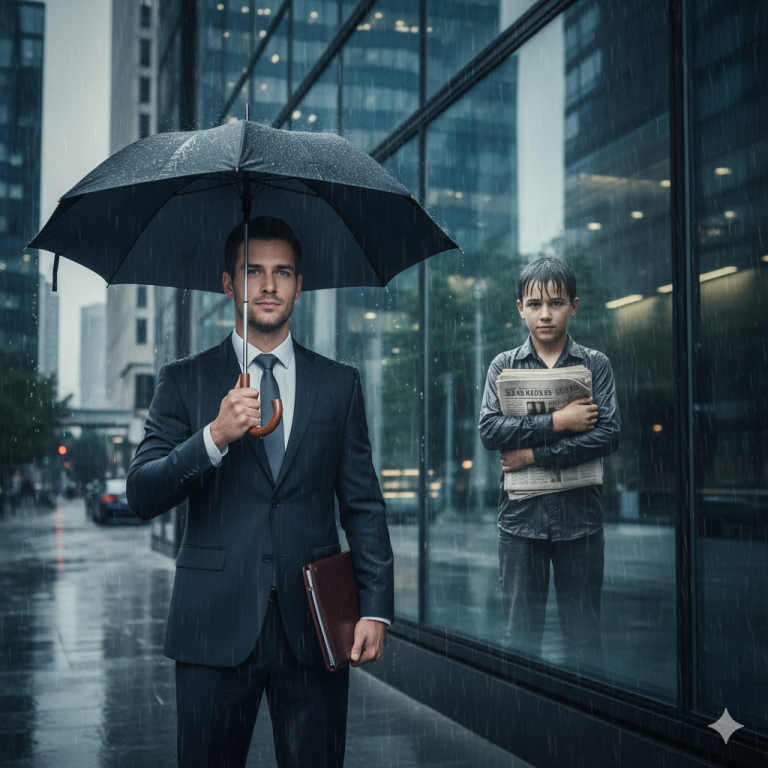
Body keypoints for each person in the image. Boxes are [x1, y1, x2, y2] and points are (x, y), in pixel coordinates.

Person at [127, 216, 394, 768]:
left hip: (316, 625)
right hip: (212, 624)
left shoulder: (339, 384)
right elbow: (142, 493)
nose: (269, 285)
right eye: (253, 271)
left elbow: (363, 505)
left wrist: (375, 608)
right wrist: (214, 436)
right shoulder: (184, 380)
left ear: (299, 284)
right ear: (229, 284)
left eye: (283, 272)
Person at [478, 257, 620, 666]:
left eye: (556, 303)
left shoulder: (595, 365)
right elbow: (490, 431)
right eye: (535, 304)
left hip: (581, 524)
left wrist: (534, 455)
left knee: (584, 641)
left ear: (573, 306)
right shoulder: (503, 366)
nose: (545, 314)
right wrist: (560, 421)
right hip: (520, 525)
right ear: (519, 308)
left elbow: (608, 435)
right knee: (519, 641)